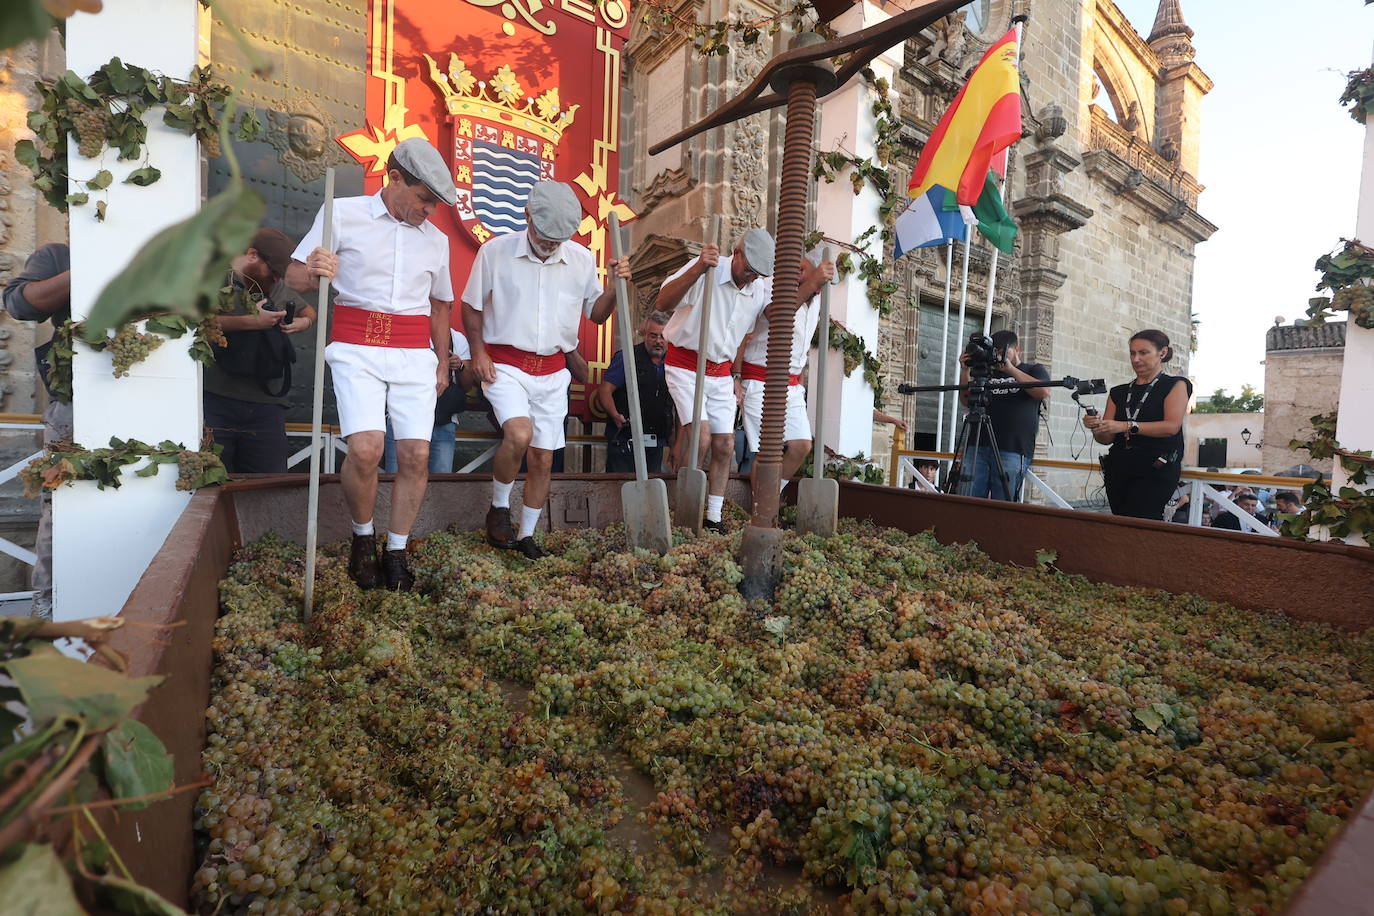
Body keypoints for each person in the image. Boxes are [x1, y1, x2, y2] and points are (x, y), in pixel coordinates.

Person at [294, 137, 456, 591]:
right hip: (356, 345)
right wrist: (314, 267)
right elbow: (295, 277)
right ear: (396, 178)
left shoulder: (437, 241)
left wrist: (442, 363)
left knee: (416, 454)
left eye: (436, 204)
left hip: (412, 353)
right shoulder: (342, 213)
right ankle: (362, 538)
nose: (430, 210)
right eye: (424, 199)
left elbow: (440, 306)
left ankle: (398, 549)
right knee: (365, 449)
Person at [463, 181, 629, 559]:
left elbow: (597, 314)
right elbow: (471, 305)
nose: (551, 244)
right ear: (527, 216)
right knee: (519, 433)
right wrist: (478, 352)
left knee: (542, 457)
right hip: (505, 363)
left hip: (553, 373)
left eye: (558, 239)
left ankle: (526, 536)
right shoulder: (495, 252)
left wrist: (616, 288)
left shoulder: (582, 259)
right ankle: (500, 508)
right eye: (544, 235)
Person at [657, 228, 775, 532]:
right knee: (701, 435)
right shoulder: (709, 268)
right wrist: (698, 267)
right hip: (686, 364)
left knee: (725, 445)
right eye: (748, 269)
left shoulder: (758, 288)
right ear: (736, 253)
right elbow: (662, 302)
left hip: (721, 372)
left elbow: (746, 335)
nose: (751, 277)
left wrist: (736, 376)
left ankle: (713, 516)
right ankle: (685, 511)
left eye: (757, 274)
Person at [204, 228, 317, 474]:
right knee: (212, 482)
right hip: (216, 398)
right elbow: (198, 324)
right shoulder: (212, 278)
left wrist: (302, 322)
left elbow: (309, 312)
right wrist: (252, 322)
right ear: (253, 255)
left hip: (268, 402)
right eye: (274, 273)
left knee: (267, 485)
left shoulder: (272, 284)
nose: (276, 280)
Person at [3, 242, 71, 619]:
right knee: (62, 501)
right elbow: (18, 303)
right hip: (75, 403)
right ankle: (49, 609)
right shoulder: (60, 254)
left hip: (152, 400)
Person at [736, 252, 836, 496]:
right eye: (797, 267)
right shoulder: (771, 285)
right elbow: (776, 315)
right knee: (767, 452)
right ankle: (761, 508)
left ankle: (769, 497)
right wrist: (736, 377)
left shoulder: (818, 299)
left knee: (801, 445)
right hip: (760, 379)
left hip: (791, 385)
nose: (798, 273)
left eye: (804, 269)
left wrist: (800, 372)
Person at [1085, 329, 1193, 520]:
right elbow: (1105, 439)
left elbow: (1171, 427)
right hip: (1119, 468)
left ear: (1163, 353)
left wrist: (1126, 426)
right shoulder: (1118, 392)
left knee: (1143, 522)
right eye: (1132, 353)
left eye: (1143, 353)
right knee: (1121, 522)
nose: (1136, 359)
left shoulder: (1176, 384)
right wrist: (1097, 426)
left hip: (1156, 468)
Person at [957, 329, 1050, 500]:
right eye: (996, 353)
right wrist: (965, 371)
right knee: (968, 498)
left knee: (1003, 502)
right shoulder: (986, 372)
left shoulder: (1033, 369)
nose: (999, 357)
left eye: (1003, 353)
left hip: (1012, 448)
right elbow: (966, 401)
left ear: (1017, 349)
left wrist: (1011, 370)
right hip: (978, 445)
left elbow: (1043, 391)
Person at [381, 328, 478, 474]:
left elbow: (467, 386)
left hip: (442, 418)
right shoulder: (407, 328)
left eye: (448, 306)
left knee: (441, 480)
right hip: (403, 415)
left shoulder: (456, 338)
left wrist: (460, 366)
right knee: (396, 476)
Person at [597, 310, 674, 473]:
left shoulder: (673, 363)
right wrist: (615, 415)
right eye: (653, 336)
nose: (658, 341)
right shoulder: (627, 357)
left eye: (663, 336)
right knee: (620, 491)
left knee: (652, 493)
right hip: (625, 441)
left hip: (656, 443)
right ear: (645, 334)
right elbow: (605, 389)